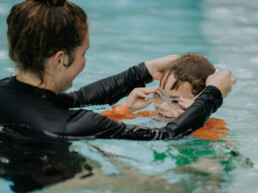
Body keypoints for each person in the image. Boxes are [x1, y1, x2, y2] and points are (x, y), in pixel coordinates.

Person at [0, 0, 236, 140]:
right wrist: (213, 94)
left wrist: (141, 71)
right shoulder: (69, 124)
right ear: (60, 59)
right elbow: (162, 136)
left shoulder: (5, 91)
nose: (85, 61)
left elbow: (75, 99)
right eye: (84, 53)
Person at [101, 53, 229, 141]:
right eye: (159, 95)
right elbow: (98, 124)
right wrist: (126, 108)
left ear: (200, 102)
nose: (161, 107)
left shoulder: (214, 128)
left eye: (175, 101)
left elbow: (229, 156)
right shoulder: (149, 116)